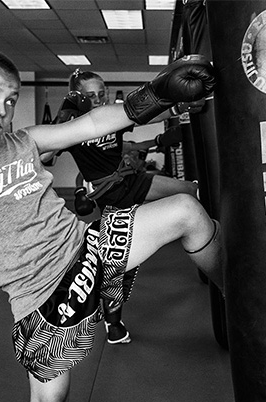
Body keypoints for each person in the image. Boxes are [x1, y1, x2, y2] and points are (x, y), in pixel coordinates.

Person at [0, 46, 220, 402]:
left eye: (9, 101)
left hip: (86, 248)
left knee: (187, 211)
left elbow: (92, 122)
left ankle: (246, 308)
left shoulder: (23, 141)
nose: (1, 111)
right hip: (36, 296)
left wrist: (158, 94)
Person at [45, 70, 203, 345]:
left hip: (133, 180)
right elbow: (46, 157)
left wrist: (180, 107)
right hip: (111, 195)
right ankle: (113, 322)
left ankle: (213, 257)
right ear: (79, 98)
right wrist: (63, 115)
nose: (98, 99)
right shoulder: (71, 128)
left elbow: (147, 115)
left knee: (191, 190)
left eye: (101, 93)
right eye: (91, 96)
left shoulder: (112, 116)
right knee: (119, 265)